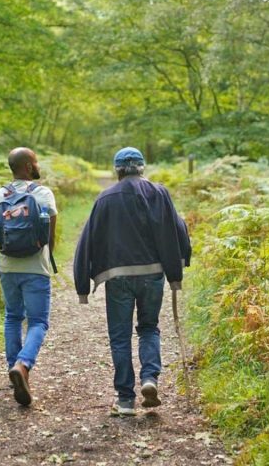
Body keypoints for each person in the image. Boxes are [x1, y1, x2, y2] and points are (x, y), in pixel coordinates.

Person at [73, 147, 191, 416]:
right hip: (152, 275)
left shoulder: (105, 198)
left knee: (120, 336)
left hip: (118, 277)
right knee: (149, 328)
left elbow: (86, 240)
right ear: (142, 167)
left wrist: (83, 285)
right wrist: (177, 270)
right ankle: (150, 379)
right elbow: (178, 228)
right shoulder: (159, 192)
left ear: (117, 170)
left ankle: (125, 399)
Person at [0, 147, 57, 406]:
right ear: (26, 166)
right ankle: (23, 366)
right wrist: (45, 263)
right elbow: (49, 239)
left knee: (13, 317)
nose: (37, 164)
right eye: (34, 161)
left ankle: (15, 368)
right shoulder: (44, 194)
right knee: (38, 322)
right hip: (36, 269)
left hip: (8, 267)